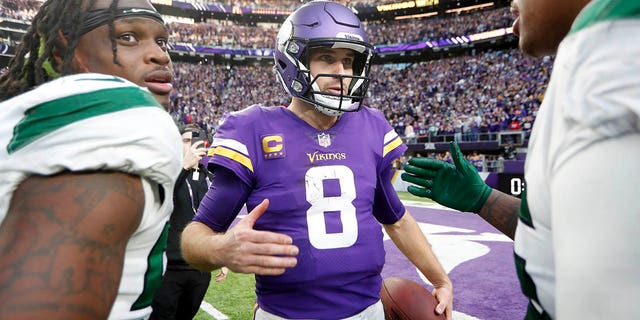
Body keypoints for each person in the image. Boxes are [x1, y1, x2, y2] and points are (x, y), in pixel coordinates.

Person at [180, 1, 453, 319]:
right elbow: (196, 235)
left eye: (349, 61)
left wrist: (440, 279)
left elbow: (397, 219)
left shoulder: (371, 126)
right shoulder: (253, 128)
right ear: (292, 60)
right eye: (327, 57)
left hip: (368, 310)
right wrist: (219, 248)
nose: (341, 73)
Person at [401, 0, 640, 319]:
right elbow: (560, 238)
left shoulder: (614, 40)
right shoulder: (592, 47)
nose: (512, 2)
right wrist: (484, 200)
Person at [0, 0, 183, 319]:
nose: (161, 55)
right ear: (64, 50)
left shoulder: (30, 121)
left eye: (161, 41)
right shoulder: (122, 128)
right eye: (127, 37)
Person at [150, 122, 228, 320]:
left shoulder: (211, 178)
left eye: (194, 141)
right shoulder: (167, 174)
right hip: (169, 269)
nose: (190, 145)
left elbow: (215, 218)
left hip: (200, 270)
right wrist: (184, 166)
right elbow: (158, 199)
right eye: (185, 141)